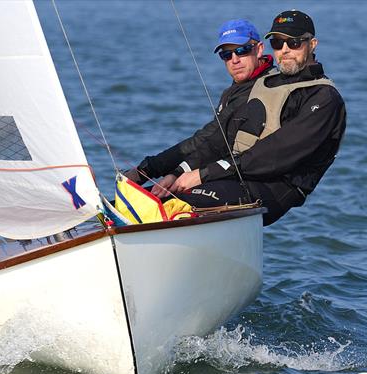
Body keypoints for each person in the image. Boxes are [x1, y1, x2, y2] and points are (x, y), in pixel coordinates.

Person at [130, 10, 346, 226]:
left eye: (295, 43)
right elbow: (218, 140)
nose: (285, 50)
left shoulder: (325, 97)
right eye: (278, 43)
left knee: (177, 206)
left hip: (275, 188)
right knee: (142, 203)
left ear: (313, 44)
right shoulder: (263, 84)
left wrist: (204, 174)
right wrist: (177, 173)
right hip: (237, 176)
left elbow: (277, 151)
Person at [124, 18, 273, 197]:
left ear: (259, 49)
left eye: (242, 50)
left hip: (258, 183)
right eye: (226, 55)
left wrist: (175, 173)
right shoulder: (235, 90)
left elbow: (217, 142)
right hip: (226, 170)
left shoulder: (264, 88)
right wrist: (149, 170)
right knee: (146, 197)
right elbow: (207, 138)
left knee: (170, 201)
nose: (234, 60)